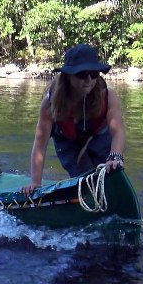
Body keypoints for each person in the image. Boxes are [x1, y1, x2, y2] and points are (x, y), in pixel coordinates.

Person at [21, 44, 126, 196]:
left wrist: (115, 157)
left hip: (99, 137)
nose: (89, 80)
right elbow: (40, 144)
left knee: (110, 176)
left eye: (94, 74)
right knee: (88, 183)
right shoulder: (50, 104)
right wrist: (36, 183)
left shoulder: (108, 96)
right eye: (82, 74)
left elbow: (118, 132)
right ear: (68, 76)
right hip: (68, 142)